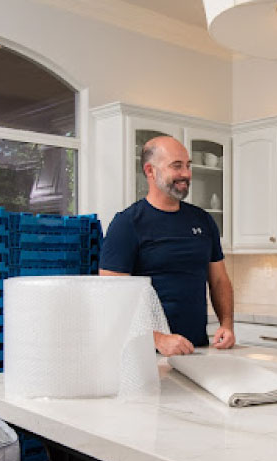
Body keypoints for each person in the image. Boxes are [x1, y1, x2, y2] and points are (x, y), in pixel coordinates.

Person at [99, 135, 235, 356]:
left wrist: (227, 325)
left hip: (196, 350)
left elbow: (219, 280)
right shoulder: (127, 223)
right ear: (150, 171)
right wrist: (157, 339)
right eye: (176, 166)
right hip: (145, 355)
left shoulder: (203, 220)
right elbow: (111, 296)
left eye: (188, 166)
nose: (186, 174)